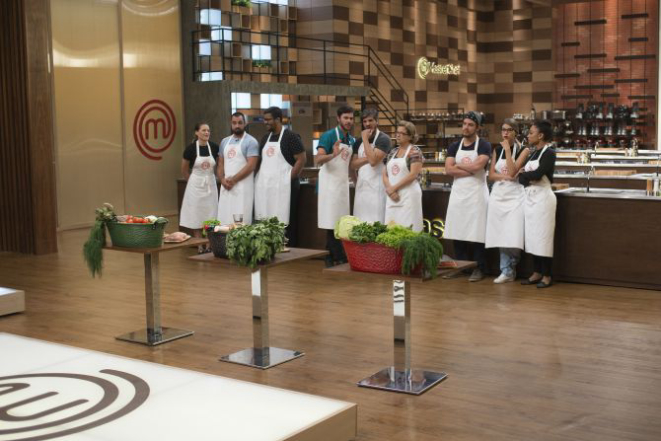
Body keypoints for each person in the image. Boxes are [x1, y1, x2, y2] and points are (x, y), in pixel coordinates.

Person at [443, 111, 492, 282]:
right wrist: (469, 168)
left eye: (470, 125)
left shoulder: (484, 145)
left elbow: (478, 167)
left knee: (477, 233)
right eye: (464, 124)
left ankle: (479, 268)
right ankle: (461, 266)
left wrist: (459, 165)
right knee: (458, 231)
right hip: (458, 194)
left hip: (477, 194)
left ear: (477, 127)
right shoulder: (454, 146)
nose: (466, 127)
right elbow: (448, 170)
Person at [485, 119, 530, 283]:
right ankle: (506, 270)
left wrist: (508, 152)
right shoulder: (497, 149)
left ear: (515, 132)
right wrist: (507, 176)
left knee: (513, 233)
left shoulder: (524, 150)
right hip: (498, 195)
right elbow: (491, 176)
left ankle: (511, 266)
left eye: (509, 130)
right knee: (500, 233)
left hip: (515, 196)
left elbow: (512, 171)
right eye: (503, 130)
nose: (505, 133)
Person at [254, 106, 307, 246]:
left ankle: (289, 249)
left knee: (286, 220)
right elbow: (261, 161)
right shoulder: (265, 138)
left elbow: (301, 159)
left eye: (268, 120)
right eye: (264, 120)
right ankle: (269, 246)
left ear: (278, 119)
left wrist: (287, 180)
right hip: (268, 188)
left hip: (286, 187)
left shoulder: (291, 137)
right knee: (267, 217)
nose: (265, 122)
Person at [518, 120, 557, 289]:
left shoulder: (549, 153)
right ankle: (536, 272)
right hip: (531, 198)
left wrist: (526, 174)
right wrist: (527, 175)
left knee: (544, 237)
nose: (528, 135)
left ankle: (547, 275)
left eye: (531, 132)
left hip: (544, 199)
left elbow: (538, 174)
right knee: (532, 237)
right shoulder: (533, 153)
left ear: (541, 135)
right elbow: (521, 177)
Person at [316, 105, 355, 266]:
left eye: (351, 118)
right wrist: (334, 154)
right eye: (346, 118)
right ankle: (337, 257)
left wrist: (357, 181)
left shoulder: (351, 139)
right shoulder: (328, 135)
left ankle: (332, 257)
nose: (349, 121)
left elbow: (351, 166)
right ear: (338, 118)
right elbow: (318, 160)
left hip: (342, 185)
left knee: (340, 222)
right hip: (329, 185)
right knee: (331, 222)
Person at [180, 122, 219, 249]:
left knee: (210, 214)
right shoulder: (190, 149)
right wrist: (192, 183)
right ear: (197, 132)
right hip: (195, 185)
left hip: (210, 185)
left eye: (208, 130)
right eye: (203, 130)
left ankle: (209, 245)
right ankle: (199, 246)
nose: (206, 133)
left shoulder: (214, 147)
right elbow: (184, 169)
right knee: (196, 215)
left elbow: (220, 163)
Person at [216, 112, 260, 226]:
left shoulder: (251, 141)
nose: (237, 126)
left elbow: (251, 166)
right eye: (234, 123)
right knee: (224, 220)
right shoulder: (224, 142)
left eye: (240, 123)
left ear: (245, 124)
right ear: (231, 124)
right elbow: (220, 164)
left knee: (241, 224)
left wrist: (234, 180)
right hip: (226, 187)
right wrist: (222, 179)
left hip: (243, 189)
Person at [351, 108, 392, 224]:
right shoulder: (357, 142)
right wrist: (369, 157)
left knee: (376, 222)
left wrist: (365, 138)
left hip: (378, 188)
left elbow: (373, 162)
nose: (367, 124)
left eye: (370, 120)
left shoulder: (384, 139)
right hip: (362, 188)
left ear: (377, 121)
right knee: (360, 223)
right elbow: (353, 165)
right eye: (365, 121)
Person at [383, 121, 424, 232]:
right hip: (392, 196)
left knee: (409, 230)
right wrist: (390, 191)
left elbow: (413, 175)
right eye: (397, 132)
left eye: (402, 133)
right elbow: (384, 174)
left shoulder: (415, 152)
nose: (398, 135)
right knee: (391, 230)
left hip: (408, 197)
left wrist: (393, 188)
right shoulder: (392, 152)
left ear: (410, 136)